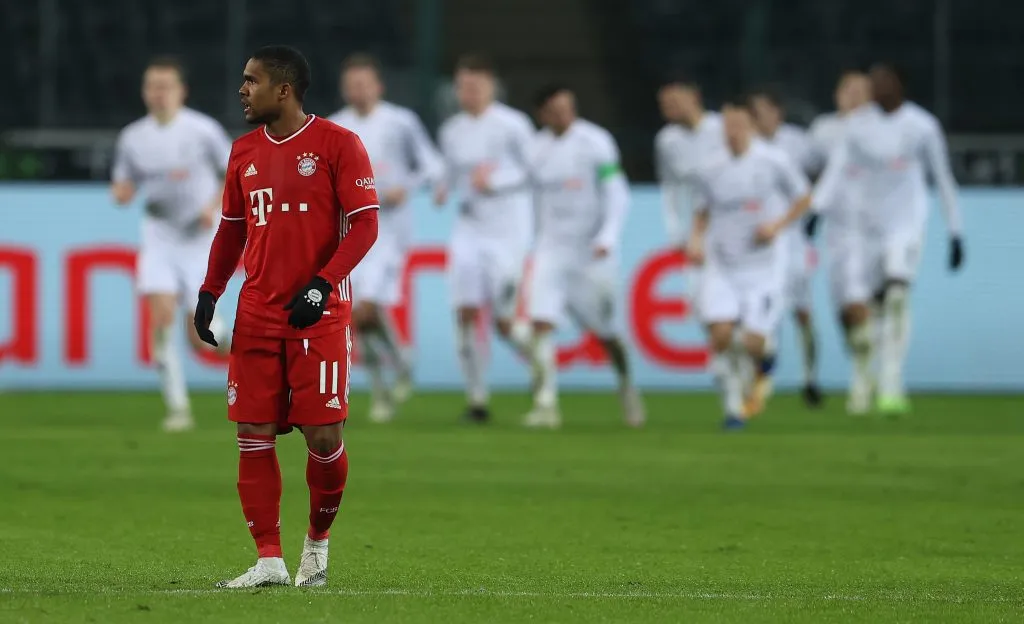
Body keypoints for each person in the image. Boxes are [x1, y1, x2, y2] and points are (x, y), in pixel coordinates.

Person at [193, 45, 379, 588]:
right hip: (256, 314)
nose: (242, 90)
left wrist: (322, 286)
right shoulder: (243, 152)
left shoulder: (339, 144)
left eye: (251, 81)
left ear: (285, 89)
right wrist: (210, 291)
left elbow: (366, 225)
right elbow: (231, 229)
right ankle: (268, 558)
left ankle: (316, 547)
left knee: (323, 438)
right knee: (252, 432)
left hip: (316, 318)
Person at [811, 63, 964, 415]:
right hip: (864, 230)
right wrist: (817, 210)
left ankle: (892, 379)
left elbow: (943, 177)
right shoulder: (857, 126)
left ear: (899, 86)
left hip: (906, 224)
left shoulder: (922, 125)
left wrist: (955, 231)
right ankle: (862, 375)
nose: (876, 89)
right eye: (873, 83)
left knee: (897, 293)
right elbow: (835, 169)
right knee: (864, 312)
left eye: (883, 83)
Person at [110, 56, 233, 432]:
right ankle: (178, 408)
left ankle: (255, 347)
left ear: (182, 91)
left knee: (201, 339)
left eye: (166, 86)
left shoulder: (203, 131)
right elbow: (123, 182)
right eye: (152, 86)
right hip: (160, 235)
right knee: (160, 317)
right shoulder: (133, 137)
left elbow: (236, 174)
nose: (159, 94)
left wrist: (213, 207)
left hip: (199, 240)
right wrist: (123, 192)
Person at [328, 53, 443, 423]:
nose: (358, 90)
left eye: (364, 83)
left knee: (366, 308)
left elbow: (431, 165)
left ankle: (397, 367)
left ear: (378, 86)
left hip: (389, 230)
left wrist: (404, 187)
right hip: (350, 232)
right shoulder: (334, 127)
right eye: (351, 84)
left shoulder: (401, 122)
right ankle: (387, 380)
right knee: (356, 315)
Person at [522, 85, 644, 429]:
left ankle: (626, 385)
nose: (564, 115)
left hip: (591, 253)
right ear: (542, 115)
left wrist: (608, 235)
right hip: (551, 250)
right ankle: (546, 404)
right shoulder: (535, 150)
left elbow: (616, 191)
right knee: (540, 323)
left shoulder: (596, 142)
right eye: (556, 110)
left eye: (568, 107)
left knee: (606, 333)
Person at [687, 97, 813, 430]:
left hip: (762, 268)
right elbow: (701, 212)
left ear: (752, 127)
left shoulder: (774, 161)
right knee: (721, 334)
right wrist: (696, 241)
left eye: (739, 125)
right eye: (727, 125)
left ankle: (765, 355)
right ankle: (732, 410)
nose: (733, 132)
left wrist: (777, 225)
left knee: (751, 342)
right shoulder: (710, 168)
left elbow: (804, 197)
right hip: (723, 264)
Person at [434, 54, 535, 423]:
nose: (469, 92)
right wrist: (443, 187)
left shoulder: (514, 125)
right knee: (463, 312)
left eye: (475, 85)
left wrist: (495, 181)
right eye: (463, 86)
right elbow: (449, 171)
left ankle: (540, 364)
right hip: (469, 230)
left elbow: (532, 169)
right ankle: (477, 400)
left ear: (491, 86)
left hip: (508, 231)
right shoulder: (452, 130)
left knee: (504, 322)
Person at [748, 86, 823, 410]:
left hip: (793, 244)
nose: (757, 119)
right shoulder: (746, 147)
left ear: (777, 113)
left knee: (802, 313)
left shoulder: (797, 142)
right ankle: (764, 382)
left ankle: (809, 378)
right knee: (765, 315)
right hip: (759, 246)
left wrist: (815, 211)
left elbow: (820, 172)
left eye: (762, 112)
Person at [806, 71, 875, 413]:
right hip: (836, 230)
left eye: (862, 90)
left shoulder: (880, 130)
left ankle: (862, 380)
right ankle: (863, 362)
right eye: (848, 89)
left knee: (859, 300)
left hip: (871, 229)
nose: (855, 96)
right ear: (836, 94)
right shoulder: (823, 130)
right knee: (842, 309)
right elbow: (809, 170)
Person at [655, 76, 727, 249]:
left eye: (674, 101)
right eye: (664, 104)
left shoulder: (722, 127)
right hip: (696, 225)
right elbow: (670, 187)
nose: (668, 108)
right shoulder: (666, 140)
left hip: (730, 216)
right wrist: (675, 231)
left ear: (694, 96)